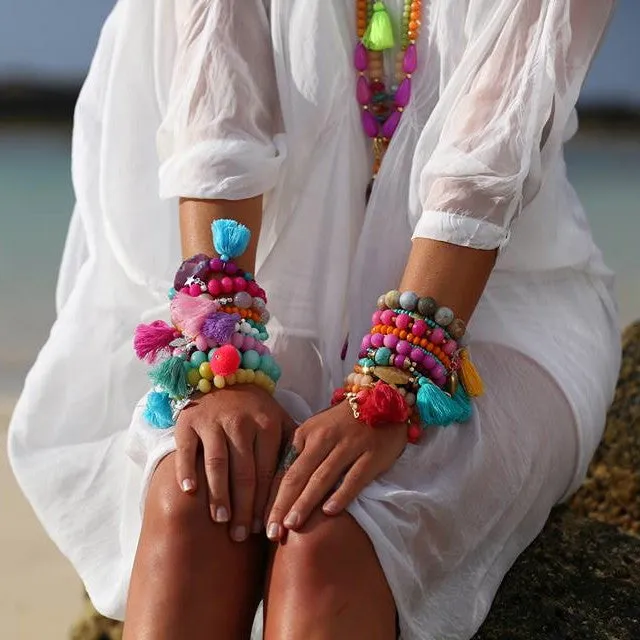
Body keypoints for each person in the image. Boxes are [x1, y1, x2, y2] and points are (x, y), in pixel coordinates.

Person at [8, 0, 620, 638]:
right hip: (282, 283)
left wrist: (395, 380)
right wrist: (226, 357)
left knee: (330, 527)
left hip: (494, 302)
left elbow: (495, 142)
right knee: (199, 495)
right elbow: (219, 109)